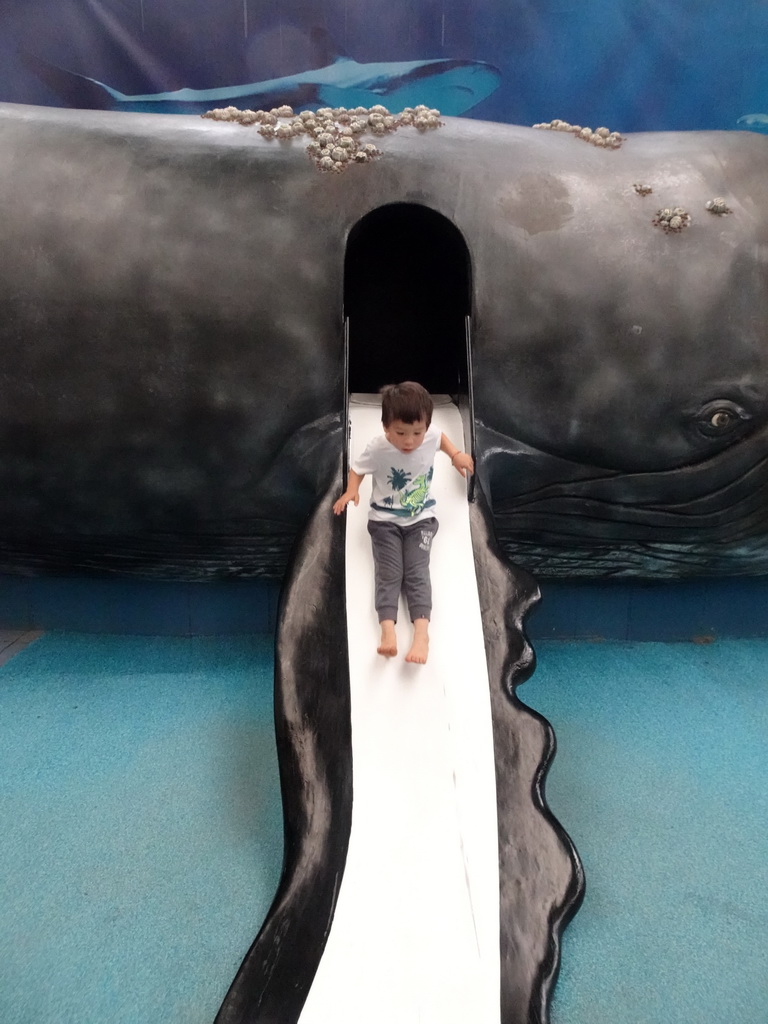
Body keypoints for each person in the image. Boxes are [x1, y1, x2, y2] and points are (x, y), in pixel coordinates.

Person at [333, 381, 474, 664]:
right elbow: (357, 470)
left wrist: (456, 454)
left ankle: (421, 634)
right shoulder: (378, 448)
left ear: (426, 426)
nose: (409, 441)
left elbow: (440, 438)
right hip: (384, 522)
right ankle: (388, 630)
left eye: (416, 433)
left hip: (421, 519)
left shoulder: (430, 435)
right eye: (400, 433)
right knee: (389, 573)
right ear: (386, 426)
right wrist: (351, 490)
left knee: (417, 572)